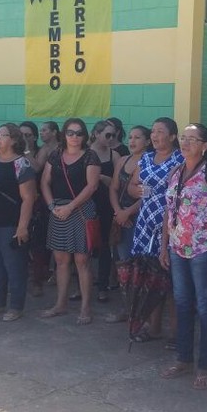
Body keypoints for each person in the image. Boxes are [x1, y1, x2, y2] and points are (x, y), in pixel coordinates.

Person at [158, 124, 207, 391]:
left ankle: (205, 365)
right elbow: (169, 212)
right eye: (184, 138)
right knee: (182, 303)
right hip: (178, 249)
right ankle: (183, 358)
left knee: (205, 307)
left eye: (193, 139)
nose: (186, 143)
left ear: (205, 146)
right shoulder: (175, 172)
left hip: (204, 250)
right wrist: (164, 245)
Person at [124, 117, 184, 341]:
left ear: (172, 136)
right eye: (153, 132)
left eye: (161, 132)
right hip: (145, 225)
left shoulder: (180, 159)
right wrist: (136, 191)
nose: (155, 136)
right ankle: (153, 326)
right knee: (150, 280)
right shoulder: (147, 158)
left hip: (170, 225)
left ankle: (176, 334)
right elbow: (131, 186)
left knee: (170, 281)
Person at [39, 117, 101, 324]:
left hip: (80, 210)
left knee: (82, 261)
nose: (74, 137)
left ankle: (85, 307)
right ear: (63, 134)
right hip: (58, 211)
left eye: (79, 133)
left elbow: (91, 186)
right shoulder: (55, 155)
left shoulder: (90, 156)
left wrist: (69, 207)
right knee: (60, 260)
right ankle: (60, 304)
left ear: (85, 136)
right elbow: (45, 182)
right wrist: (51, 206)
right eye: (70, 133)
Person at [0, 123, 36, 320]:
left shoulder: (21, 164)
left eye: (2, 134)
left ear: (13, 140)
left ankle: (16, 306)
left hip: (9, 223)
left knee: (14, 265)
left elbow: (28, 198)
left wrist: (22, 226)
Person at [106, 125, 150, 323]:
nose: (132, 141)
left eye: (138, 138)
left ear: (148, 141)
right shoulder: (123, 161)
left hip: (139, 220)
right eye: (130, 137)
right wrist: (118, 212)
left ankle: (142, 311)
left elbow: (149, 196)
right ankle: (128, 308)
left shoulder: (150, 163)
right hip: (121, 219)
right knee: (124, 266)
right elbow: (114, 188)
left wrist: (127, 213)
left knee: (140, 267)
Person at [20, 121, 51, 297]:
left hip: (38, 202)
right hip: (18, 202)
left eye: (28, 135)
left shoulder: (42, 151)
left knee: (38, 243)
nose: (24, 138)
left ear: (34, 137)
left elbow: (36, 167)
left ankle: (37, 280)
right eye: (21, 135)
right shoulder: (12, 152)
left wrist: (25, 150)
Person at [90, 119, 118, 303]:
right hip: (87, 204)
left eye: (113, 135)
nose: (111, 138)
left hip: (106, 204)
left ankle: (102, 285)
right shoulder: (85, 154)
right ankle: (81, 286)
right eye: (107, 135)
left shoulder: (113, 155)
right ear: (96, 134)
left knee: (105, 246)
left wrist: (103, 178)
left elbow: (118, 183)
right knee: (84, 245)